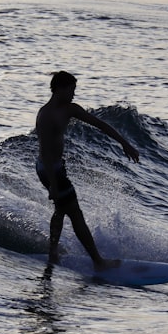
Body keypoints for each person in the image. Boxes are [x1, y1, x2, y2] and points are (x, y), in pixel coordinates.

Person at [35, 71, 140, 269]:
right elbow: (46, 153)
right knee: (75, 214)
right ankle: (98, 262)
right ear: (59, 89)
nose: (74, 94)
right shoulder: (46, 116)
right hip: (49, 169)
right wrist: (54, 185)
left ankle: (52, 253)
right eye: (71, 90)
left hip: (56, 167)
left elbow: (99, 124)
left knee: (60, 210)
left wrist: (124, 143)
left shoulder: (69, 109)